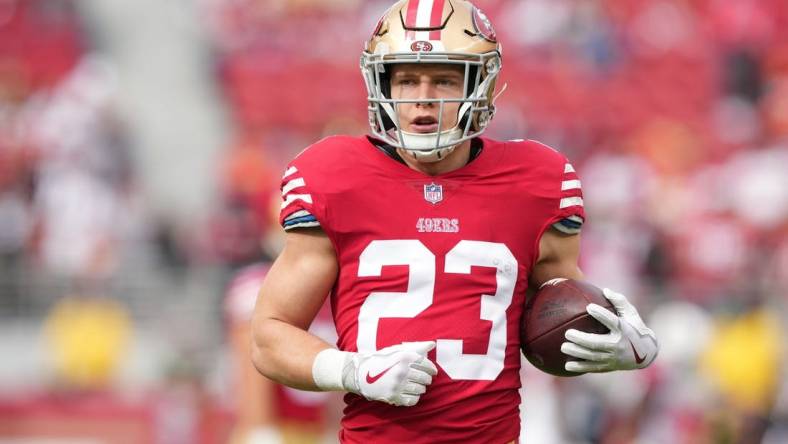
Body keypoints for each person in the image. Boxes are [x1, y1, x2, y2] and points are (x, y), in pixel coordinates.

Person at [251, 1, 659, 442]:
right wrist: (353, 369)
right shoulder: (335, 176)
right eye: (406, 80)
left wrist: (621, 348)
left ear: (480, 87)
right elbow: (269, 337)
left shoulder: (535, 182)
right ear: (382, 84)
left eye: (444, 79)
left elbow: (558, 316)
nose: (423, 97)